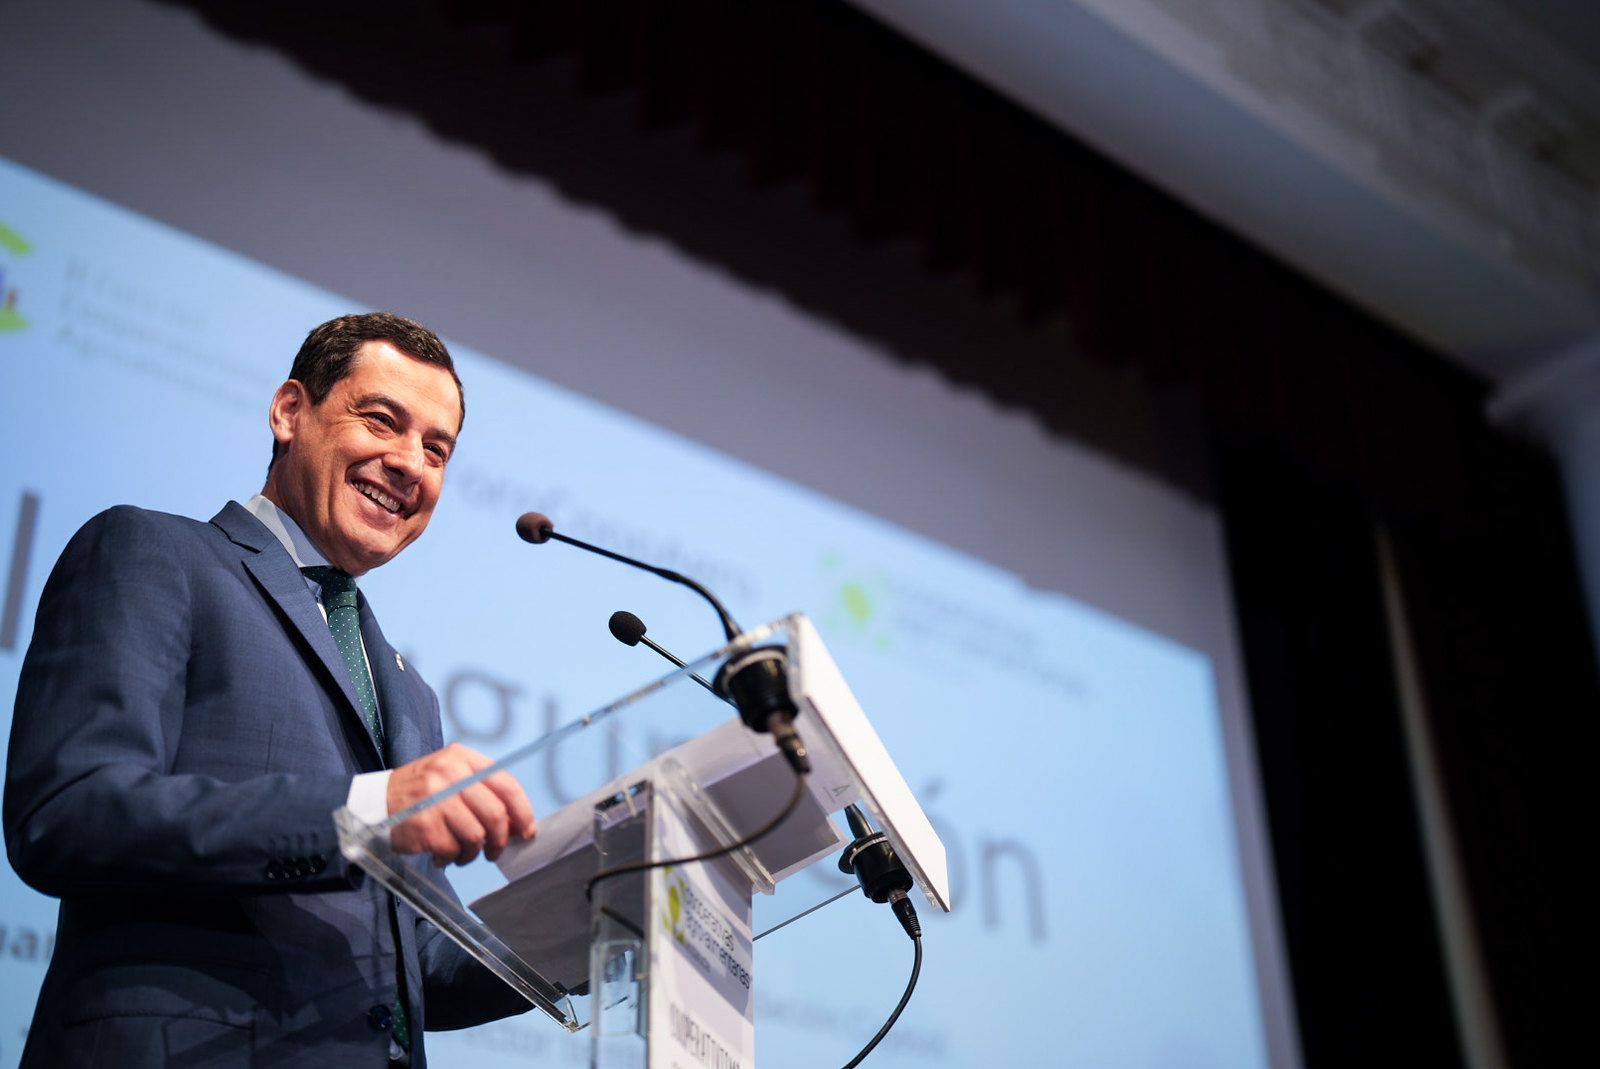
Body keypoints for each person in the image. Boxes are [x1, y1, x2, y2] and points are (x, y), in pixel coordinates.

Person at [5, 312, 537, 1066]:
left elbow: (420, 962)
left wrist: (584, 917)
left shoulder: (411, 694)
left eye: (436, 449)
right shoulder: (156, 553)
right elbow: (68, 811)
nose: (409, 462)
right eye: (382, 421)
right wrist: (364, 810)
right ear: (290, 412)